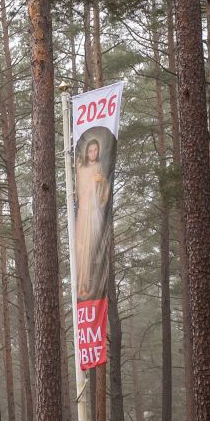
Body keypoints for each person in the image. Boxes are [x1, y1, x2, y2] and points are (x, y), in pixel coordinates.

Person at [71, 128, 115, 301]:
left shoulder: (98, 167)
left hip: (95, 212)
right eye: (90, 150)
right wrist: (90, 185)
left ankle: (90, 285)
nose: (93, 153)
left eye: (95, 150)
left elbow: (104, 192)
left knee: (93, 248)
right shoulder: (81, 168)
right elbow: (79, 191)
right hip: (84, 212)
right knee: (83, 248)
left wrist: (102, 181)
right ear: (86, 151)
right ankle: (81, 285)